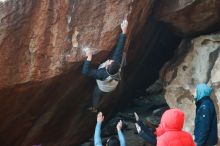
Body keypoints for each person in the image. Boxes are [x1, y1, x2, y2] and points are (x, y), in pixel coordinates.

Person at [82, 20, 128, 112]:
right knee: (122, 54)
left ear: (106, 68)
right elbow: (120, 47)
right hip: (112, 86)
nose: (109, 60)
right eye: (111, 60)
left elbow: (85, 72)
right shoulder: (117, 63)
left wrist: (89, 57)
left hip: (103, 87)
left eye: (109, 62)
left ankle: (94, 108)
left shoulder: (101, 73)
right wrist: (124, 31)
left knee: (96, 93)